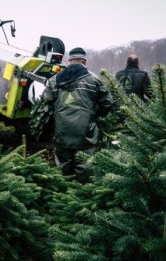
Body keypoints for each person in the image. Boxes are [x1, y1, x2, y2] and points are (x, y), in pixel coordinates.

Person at [42, 47, 114, 181]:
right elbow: (108, 103)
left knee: (63, 167)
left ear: (69, 61)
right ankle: (82, 195)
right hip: (86, 132)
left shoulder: (54, 80)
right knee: (85, 166)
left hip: (62, 131)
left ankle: (62, 195)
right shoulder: (94, 80)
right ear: (84, 61)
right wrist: (94, 116)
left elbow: (47, 99)